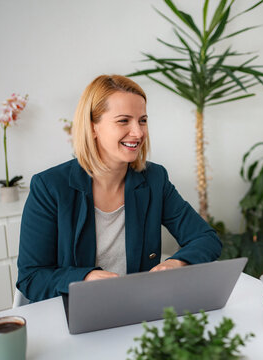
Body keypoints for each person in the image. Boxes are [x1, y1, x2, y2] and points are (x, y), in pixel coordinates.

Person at [17, 75, 222, 302]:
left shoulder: (155, 179)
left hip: (138, 309)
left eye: (142, 120)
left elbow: (206, 238)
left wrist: (177, 263)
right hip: (76, 313)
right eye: (124, 121)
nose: (138, 132)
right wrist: (84, 279)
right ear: (93, 127)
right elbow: (32, 278)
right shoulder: (49, 187)